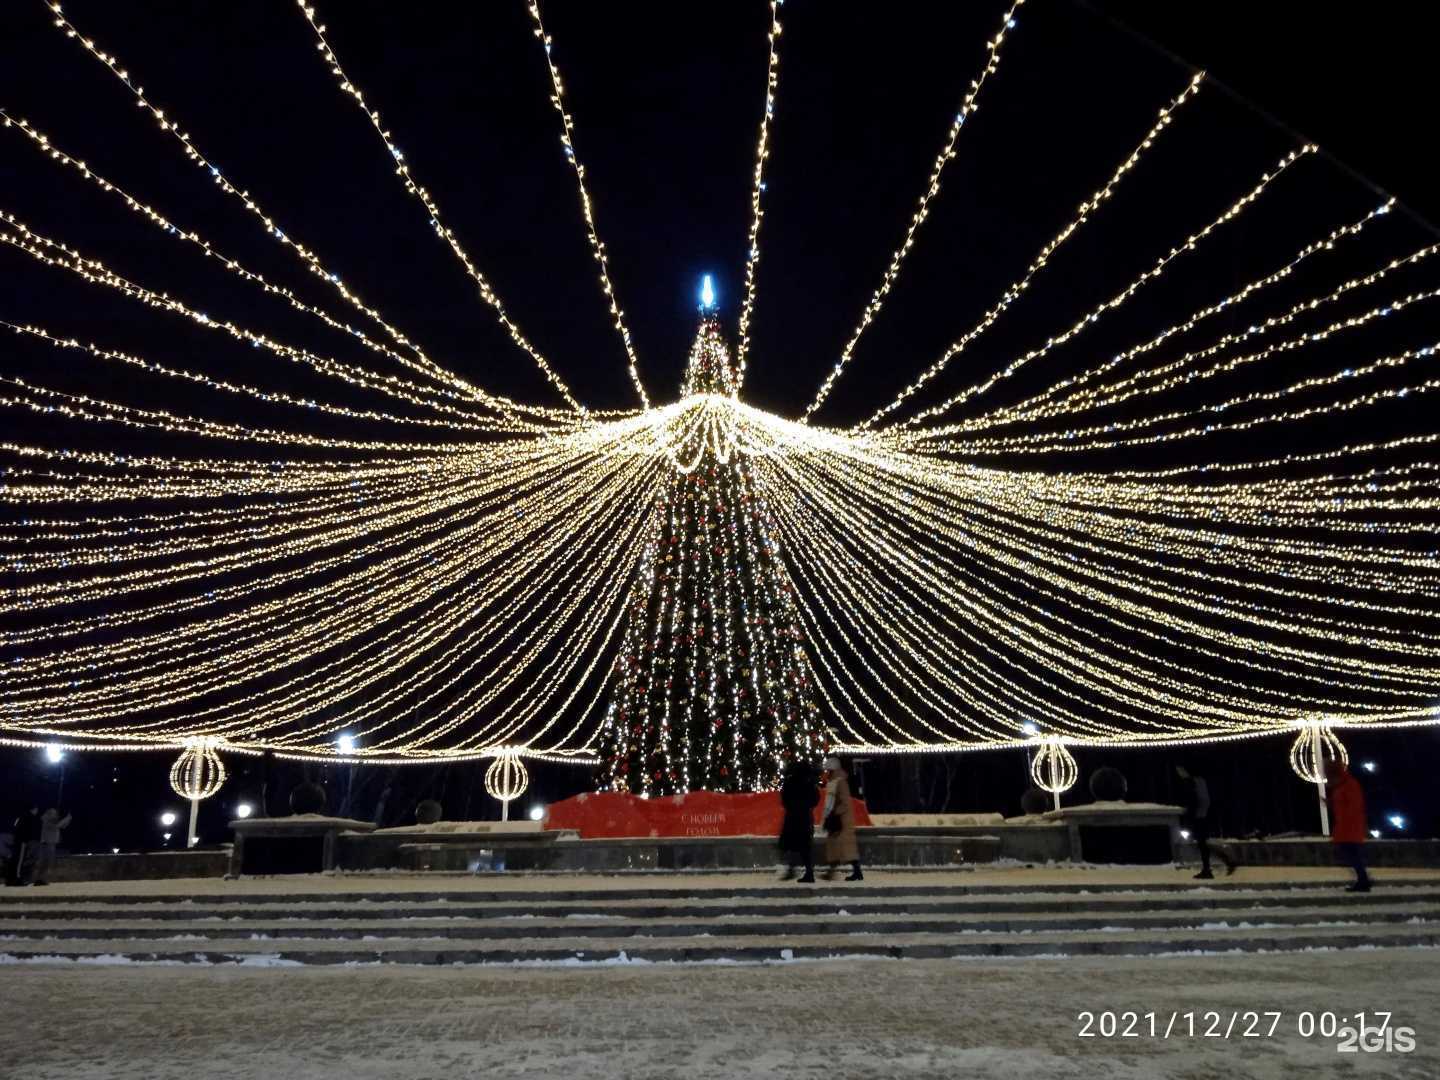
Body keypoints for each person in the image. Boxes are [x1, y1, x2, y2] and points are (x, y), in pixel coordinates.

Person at [1175, 765, 1235, 879]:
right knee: (1203, 843)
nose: (1179, 773)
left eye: (1180, 771)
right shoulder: (1201, 780)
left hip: (1198, 817)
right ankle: (1213, 865)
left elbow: (1193, 800)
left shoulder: (1191, 782)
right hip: (1204, 815)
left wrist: (1189, 818)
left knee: (1202, 844)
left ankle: (1216, 864)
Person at [1326, 760, 1371, 893]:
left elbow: (1353, 806)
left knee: (1353, 855)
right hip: (1346, 827)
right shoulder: (1342, 785)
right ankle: (1363, 880)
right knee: (1352, 855)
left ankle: (1364, 880)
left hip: (1349, 827)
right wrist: (1331, 803)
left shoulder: (1349, 785)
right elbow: (1342, 804)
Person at [777, 759, 820, 883]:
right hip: (805, 817)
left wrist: (792, 806)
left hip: (793, 817)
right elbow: (815, 799)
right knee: (804, 846)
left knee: (790, 843)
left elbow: (784, 799)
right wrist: (807, 806)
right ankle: (808, 872)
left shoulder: (790, 781)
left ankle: (792, 870)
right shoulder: (810, 782)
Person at [821, 755, 862, 882]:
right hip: (838, 820)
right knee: (836, 847)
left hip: (842, 821)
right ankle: (833, 872)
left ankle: (856, 872)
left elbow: (845, 803)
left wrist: (834, 812)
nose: (826, 773)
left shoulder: (840, 782)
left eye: (828, 770)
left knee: (844, 848)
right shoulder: (834, 782)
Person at [31, 807, 71, 886]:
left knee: (47, 863)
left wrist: (68, 820)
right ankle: (39, 880)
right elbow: (56, 826)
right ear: (48, 813)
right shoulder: (46, 821)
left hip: (51, 844)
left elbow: (63, 826)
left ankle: (41, 879)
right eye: (54, 813)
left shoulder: (51, 820)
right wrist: (66, 818)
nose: (56, 815)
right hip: (47, 844)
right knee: (44, 863)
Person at [5, 806, 41, 887]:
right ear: (34, 809)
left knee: (16, 859)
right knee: (20, 860)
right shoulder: (29, 817)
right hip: (22, 841)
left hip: (17, 841)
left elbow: (16, 827)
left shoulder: (21, 816)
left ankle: (12, 879)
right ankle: (18, 879)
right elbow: (27, 830)